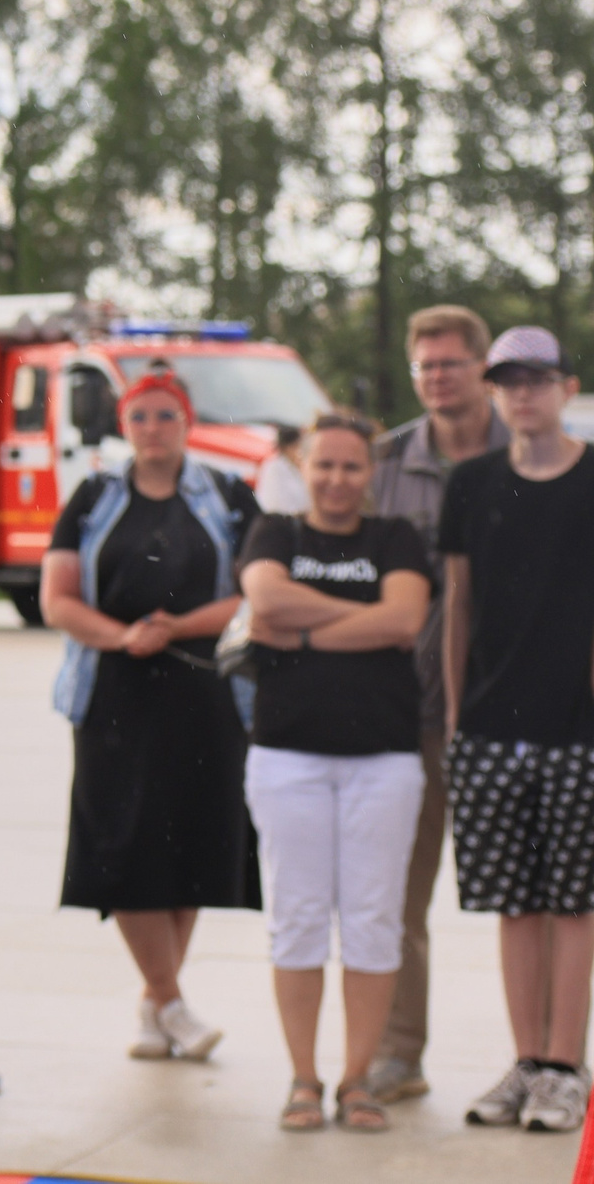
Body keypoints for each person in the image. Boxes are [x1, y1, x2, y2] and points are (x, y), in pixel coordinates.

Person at [41, 365, 261, 1062]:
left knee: (191, 847)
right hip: (115, 694)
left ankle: (153, 1005)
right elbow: (58, 598)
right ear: (123, 427)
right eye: (140, 417)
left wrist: (183, 622)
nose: (153, 429)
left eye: (166, 416)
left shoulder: (228, 494)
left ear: (188, 422)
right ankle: (171, 1003)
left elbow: (256, 591)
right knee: (126, 845)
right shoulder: (94, 497)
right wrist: (124, 636)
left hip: (205, 694)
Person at [235, 413, 430, 1133]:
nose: (337, 480)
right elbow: (265, 603)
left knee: (375, 923)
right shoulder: (274, 532)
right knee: (298, 921)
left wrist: (307, 631)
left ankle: (357, 1081)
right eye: (324, 466)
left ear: (371, 473)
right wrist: (363, 615)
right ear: (304, 467)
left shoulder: (396, 539)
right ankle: (304, 1079)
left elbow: (406, 620)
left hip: (383, 761)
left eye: (351, 467)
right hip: (289, 757)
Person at [440, 325, 594, 1134]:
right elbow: (459, 604)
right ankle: (528, 1060)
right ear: (494, 391)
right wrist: (462, 721)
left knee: (575, 903)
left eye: (538, 377)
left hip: (580, 730)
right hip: (492, 730)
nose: (523, 392)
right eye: (508, 379)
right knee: (514, 904)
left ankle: (567, 1065)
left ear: (568, 386)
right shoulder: (469, 484)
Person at [363, 301, 506, 1105]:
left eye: (451, 362)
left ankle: (547, 1058)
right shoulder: (383, 464)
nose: (438, 377)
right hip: (408, 716)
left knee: (544, 900)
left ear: (482, 367)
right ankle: (398, 1053)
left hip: (514, 712)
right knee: (396, 896)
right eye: (425, 365)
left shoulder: (530, 457)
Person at [256, 424, 310, 516]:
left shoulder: (300, 467)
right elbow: (274, 504)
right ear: (286, 447)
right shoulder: (274, 467)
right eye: (296, 446)